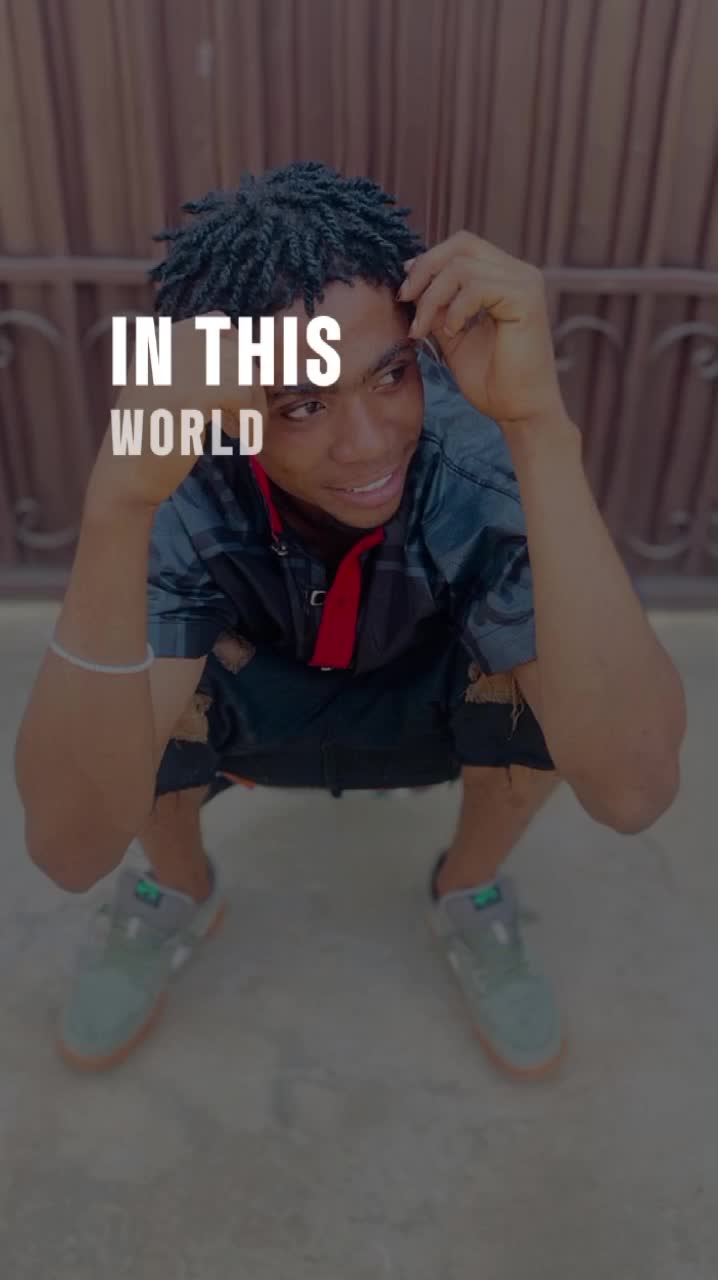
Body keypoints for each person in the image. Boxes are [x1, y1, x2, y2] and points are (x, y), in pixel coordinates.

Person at [15, 161, 686, 1079]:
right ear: (228, 401)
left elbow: (635, 790)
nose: (368, 443)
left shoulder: (477, 451)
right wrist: (117, 504)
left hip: (424, 707)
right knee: (130, 689)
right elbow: (67, 851)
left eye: (391, 375)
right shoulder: (180, 473)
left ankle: (467, 890)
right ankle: (176, 889)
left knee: (550, 669)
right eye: (301, 403)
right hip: (252, 707)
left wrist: (539, 427)